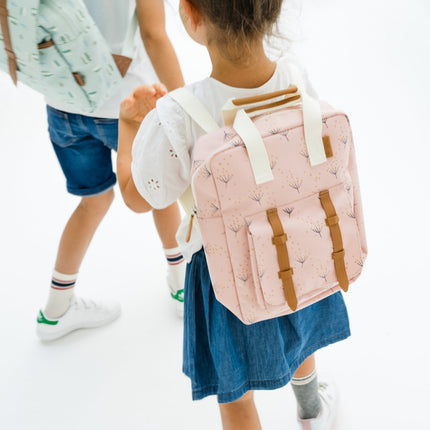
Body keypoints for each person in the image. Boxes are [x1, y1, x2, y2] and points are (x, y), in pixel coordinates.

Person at [117, 1, 351, 428]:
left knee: (236, 396)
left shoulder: (177, 114)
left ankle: (309, 408)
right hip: (298, 242)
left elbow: (138, 197)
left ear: (191, 15)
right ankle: (312, 411)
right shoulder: (294, 77)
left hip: (226, 275)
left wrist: (129, 126)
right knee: (297, 322)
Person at [36, 0, 186, 342]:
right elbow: (153, 34)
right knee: (158, 189)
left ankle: (55, 310)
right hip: (128, 100)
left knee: (93, 201)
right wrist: (186, 104)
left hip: (61, 106)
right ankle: (181, 288)